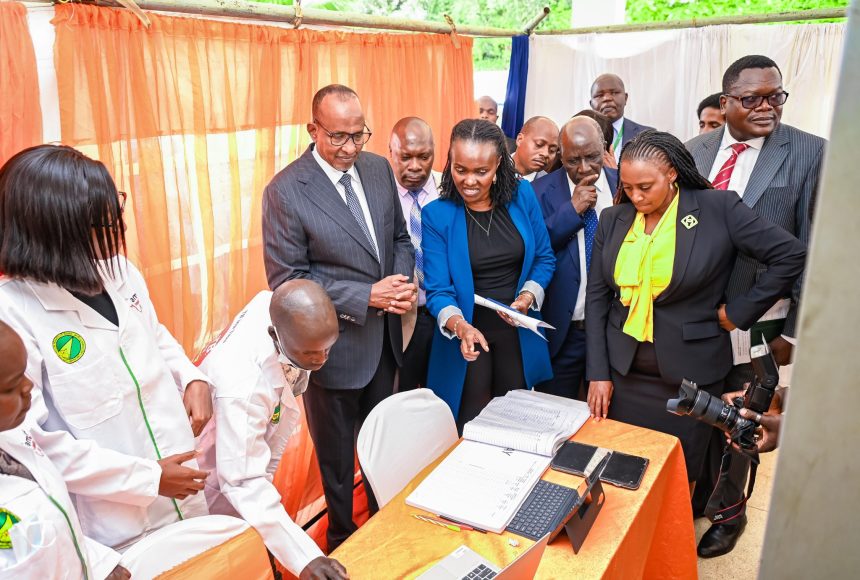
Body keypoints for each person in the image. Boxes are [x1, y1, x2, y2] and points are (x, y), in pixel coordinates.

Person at [0, 145, 212, 551]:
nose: (120, 227)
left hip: (183, 486)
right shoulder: (12, 314)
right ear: (55, 233)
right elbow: (32, 444)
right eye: (104, 221)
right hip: (115, 526)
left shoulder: (121, 274)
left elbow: (154, 335)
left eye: (116, 210)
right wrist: (148, 479)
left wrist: (191, 377)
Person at [585, 130, 805, 486]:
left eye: (645, 187)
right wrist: (598, 373)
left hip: (690, 379)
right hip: (623, 374)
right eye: (628, 187)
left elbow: (790, 255)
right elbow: (597, 299)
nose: (636, 196)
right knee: (619, 475)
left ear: (671, 173)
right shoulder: (614, 219)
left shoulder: (718, 208)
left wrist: (739, 312)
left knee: (674, 479)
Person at [262, 84, 416, 551]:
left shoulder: (378, 169)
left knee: (383, 448)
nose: (350, 148)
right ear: (313, 129)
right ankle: (344, 540)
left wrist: (399, 284)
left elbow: (400, 239)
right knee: (336, 462)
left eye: (359, 134)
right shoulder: (286, 191)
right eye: (338, 137)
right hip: (333, 351)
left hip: (385, 342)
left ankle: (386, 533)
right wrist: (366, 295)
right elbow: (288, 281)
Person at [686, 55, 825, 557]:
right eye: (752, 99)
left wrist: (795, 332)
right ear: (725, 103)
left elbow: (814, 246)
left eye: (775, 97)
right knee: (703, 407)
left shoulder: (810, 152)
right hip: (699, 317)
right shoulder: (694, 150)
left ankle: (729, 514)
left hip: (764, 320)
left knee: (746, 417)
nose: (767, 107)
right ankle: (698, 493)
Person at [195, 282, 348, 580]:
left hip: (242, 455)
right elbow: (244, 482)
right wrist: (305, 558)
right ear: (274, 335)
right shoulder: (243, 387)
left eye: (328, 347)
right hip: (214, 481)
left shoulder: (277, 307)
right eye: (310, 352)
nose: (322, 359)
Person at [422, 119, 556, 429]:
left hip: (516, 334)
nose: (469, 181)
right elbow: (439, 290)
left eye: (481, 171)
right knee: (470, 424)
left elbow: (545, 258)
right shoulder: (436, 215)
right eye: (460, 169)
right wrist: (461, 327)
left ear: (498, 164)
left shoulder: (522, 195)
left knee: (514, 425)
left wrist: (526, 297)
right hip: (467, 337)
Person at [0, 321, 128, 579]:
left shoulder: (14, 439)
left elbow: (51, 521)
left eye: (24, 373)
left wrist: (98, 565)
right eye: (12, 386)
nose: (28, 387)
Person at [533, 116, 618, 399]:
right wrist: (571, 210)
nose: (583, 168)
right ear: (560, 155)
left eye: (592, 157)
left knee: (611, 415)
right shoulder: (538, 192)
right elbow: (534, 250)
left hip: (616, 330)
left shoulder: (624, 185)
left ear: (604, 146)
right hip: (563, 332)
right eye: (572, 160)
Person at [389, 117, 440, 391]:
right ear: (391, 152)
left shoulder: (452, 190)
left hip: (444, 315)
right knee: (400, 398)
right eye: (406, 157)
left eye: (424, 156)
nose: (415, 166)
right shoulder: (379, 194)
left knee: (442, 399)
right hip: (399, 320)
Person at [589, 73, 653, 164]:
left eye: (614, 93)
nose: (607, 98)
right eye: (599, 95)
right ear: (591, 104)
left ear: (625, 98)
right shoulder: (580, 137)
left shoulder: (648, 136)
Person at [511, 116, 560, 182]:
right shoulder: (497, 166)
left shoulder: (550, 184)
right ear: (520, 140)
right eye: (539, 144)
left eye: (552, 150)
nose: (545, 154)